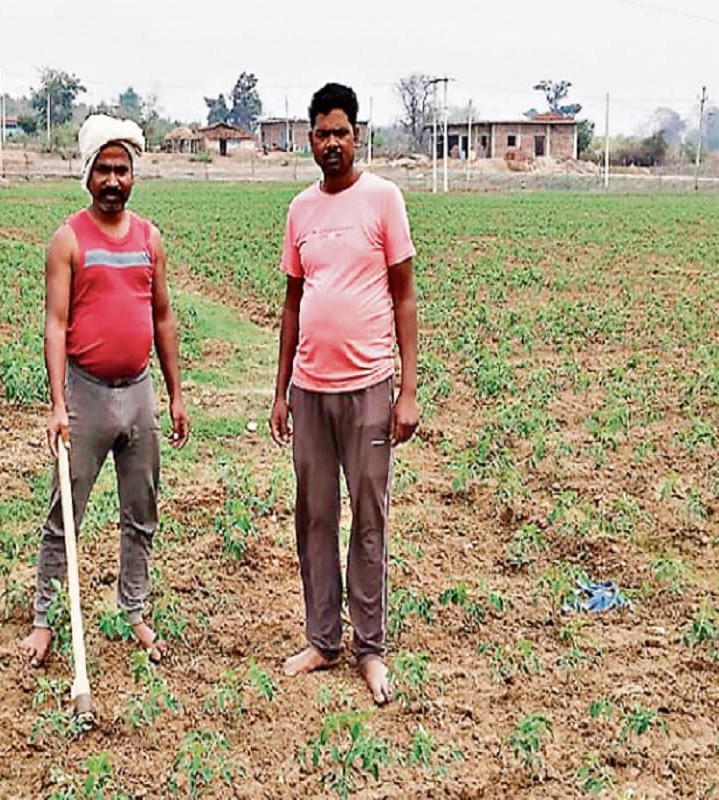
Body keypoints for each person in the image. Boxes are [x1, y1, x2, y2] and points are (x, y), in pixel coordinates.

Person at [269, 83, 420, 705]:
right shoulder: (301, 210)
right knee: (316, 518)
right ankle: (323, 639)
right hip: (310, 389)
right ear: (309, 139)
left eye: (342, 132)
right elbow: (292, 302)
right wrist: (279, 392)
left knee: (369, 518)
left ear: (358, 136)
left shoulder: (384, 199)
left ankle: (371, 647)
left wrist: (407, 388)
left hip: (368, 387)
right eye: (321, 133)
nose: (332, 143)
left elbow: (405, 294)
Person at [23, 114, 189, 668]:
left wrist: (175, 393)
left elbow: (162, 318)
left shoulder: (150, 239)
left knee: (141, 509)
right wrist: (57, 404)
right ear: (87, 175)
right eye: (104, 170)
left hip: (138, 393)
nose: (114, 180)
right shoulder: (68, 241)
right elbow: (55, 323)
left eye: (123, 170)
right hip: (87, 395)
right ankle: (45, 618)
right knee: (65, 513)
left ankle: (134, 610)